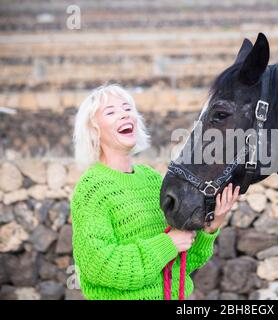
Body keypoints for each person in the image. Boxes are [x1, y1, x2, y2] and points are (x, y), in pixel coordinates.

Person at [70, 83, 239, 299]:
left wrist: (211, 226)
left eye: (127, 109)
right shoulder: (92, 188)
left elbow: (182, 264)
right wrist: (167, 244)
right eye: (111, 112)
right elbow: (99, 266)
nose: (124, 115)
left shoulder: (151, 179)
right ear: (94, 130)